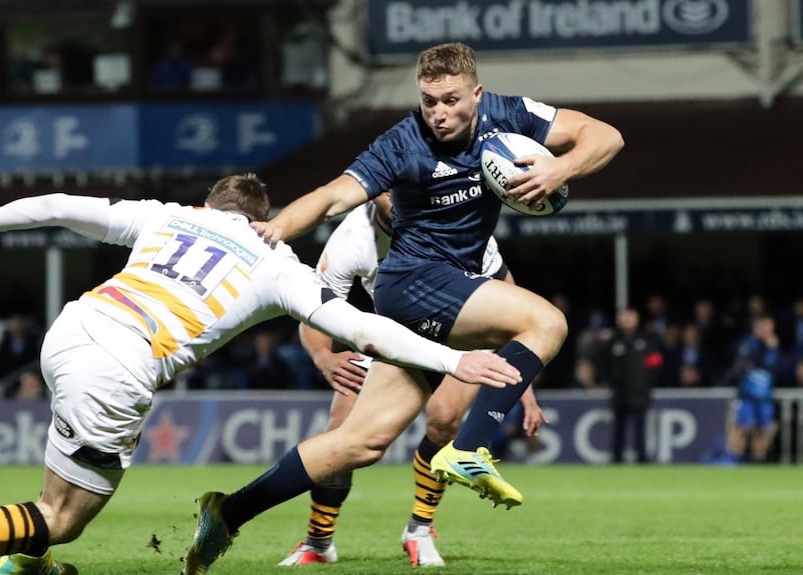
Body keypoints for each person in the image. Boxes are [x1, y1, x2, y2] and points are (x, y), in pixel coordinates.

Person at [0, 174, 520, 575]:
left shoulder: (169, 215)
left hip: (71, 331)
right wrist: (454, 359)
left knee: (55, 493)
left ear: (212, 205)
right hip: (122, 366)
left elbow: (61, 203)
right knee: (61, 515)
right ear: (262, 218)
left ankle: (27, 561)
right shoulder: (278, 261)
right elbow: (365, 329)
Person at [183, 42, 622, 574]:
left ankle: (228, 512)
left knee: (358, 443)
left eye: (450, 99)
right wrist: (276, 228)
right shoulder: (402, 142)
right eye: (429, 100)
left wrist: (562, 169)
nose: (438, 112)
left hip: (438, 297)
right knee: (548, 320)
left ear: (476, 94)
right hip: (415, 283)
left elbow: (606, 135)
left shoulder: (510, 114)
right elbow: (332, 196)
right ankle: (470, 449)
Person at [279, 192, 546, 567]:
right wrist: (324, 356)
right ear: (373, 196)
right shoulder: (352, 239)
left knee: (445, 418)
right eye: (389, 192)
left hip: (458, 336)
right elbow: (314, 305)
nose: (398, 199)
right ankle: (318, 541)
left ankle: (419, 528)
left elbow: (508, 292)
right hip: (395, 338)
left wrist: (523, 384)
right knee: (341, 432)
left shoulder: (457, 221)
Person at [599, 308, 663, 464]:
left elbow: (656, 362)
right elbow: (603, 364)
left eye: (631, 318)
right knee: (618, 427)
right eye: (625, 318)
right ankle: (616, 459)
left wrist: (647, 383)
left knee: (640, 428)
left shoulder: (647, 339)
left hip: (639, 392)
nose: (628, 321)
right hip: (619, 392)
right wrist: (609, 382)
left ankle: (642, 459)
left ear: (637, 319)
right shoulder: (613, 341)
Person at [725, 314, 781, 463]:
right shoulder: (748, 344)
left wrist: (772, 350)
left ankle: (759, 461)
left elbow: (775, 368)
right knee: (741, 428)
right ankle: (732, 460)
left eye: (771, 327)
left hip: (765, 396)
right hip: (746, 395)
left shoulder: (772, 346)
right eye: (766, 327)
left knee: (763, 430)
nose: (769, 330)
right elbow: (744, 365)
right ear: (758, 327)